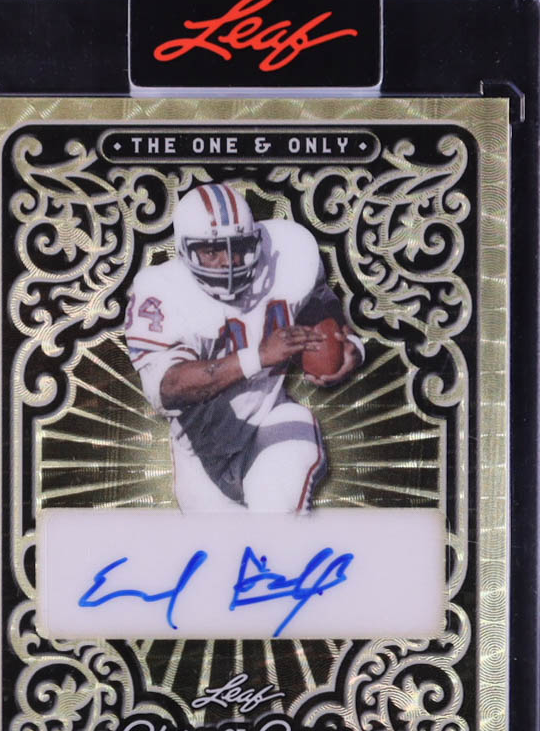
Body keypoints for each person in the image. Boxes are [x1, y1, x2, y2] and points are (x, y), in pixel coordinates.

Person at [124, 182, 363, 513]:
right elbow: (170, 389)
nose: (229, 262)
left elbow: (317, 304)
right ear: (184, 251)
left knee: (278, 516)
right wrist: (257, 357)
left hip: (272, 420)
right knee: (224, 542)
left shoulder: (288, 252)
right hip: (202, 455)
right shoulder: (160, 291)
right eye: (212, 251)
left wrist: (350, 347)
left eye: (237, 247)